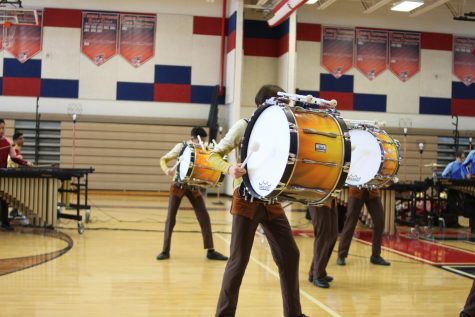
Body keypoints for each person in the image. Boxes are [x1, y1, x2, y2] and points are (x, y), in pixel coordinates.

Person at [208, 85, 307, 317]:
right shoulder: (244, 126)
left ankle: (293, 313)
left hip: (270, 201)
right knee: (238, 262)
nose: (284, 109)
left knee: (290, 254)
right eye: (280, 104)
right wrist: (230, 167)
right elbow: (213, 156)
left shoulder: (281, 132)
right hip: (246, 200)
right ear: (265, 105)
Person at [156, 127, 228, 261]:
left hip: (194, 187)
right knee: (170, 218)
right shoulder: (182, 147)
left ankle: (210, 250)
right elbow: (163, 159)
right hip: (178, 185)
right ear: (192, 138)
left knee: (204, 217)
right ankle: (165, 250)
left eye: (204, 140)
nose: (201, 142)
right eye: (198, 140)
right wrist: (167, 170)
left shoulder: (204, 149)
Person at [336, 188, 390, 266]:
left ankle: (376, 256)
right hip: (356, 190)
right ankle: (341, 255)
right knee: (350, 223)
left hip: (372, 190)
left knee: (379, 222)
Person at [0, 119, 31, 229]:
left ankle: (4, 222)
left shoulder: (8, 142)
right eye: (0, 128)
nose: (1, 130)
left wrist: (25, 163)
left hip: (2, 174)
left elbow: (14, 157)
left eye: (3, 128)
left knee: (4, 200)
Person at [308, 198, 338, 289]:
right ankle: (318, 275)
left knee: (332, 235)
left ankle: (315, 272)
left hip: (331, 198)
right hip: (318, 197)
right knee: (323, 236)